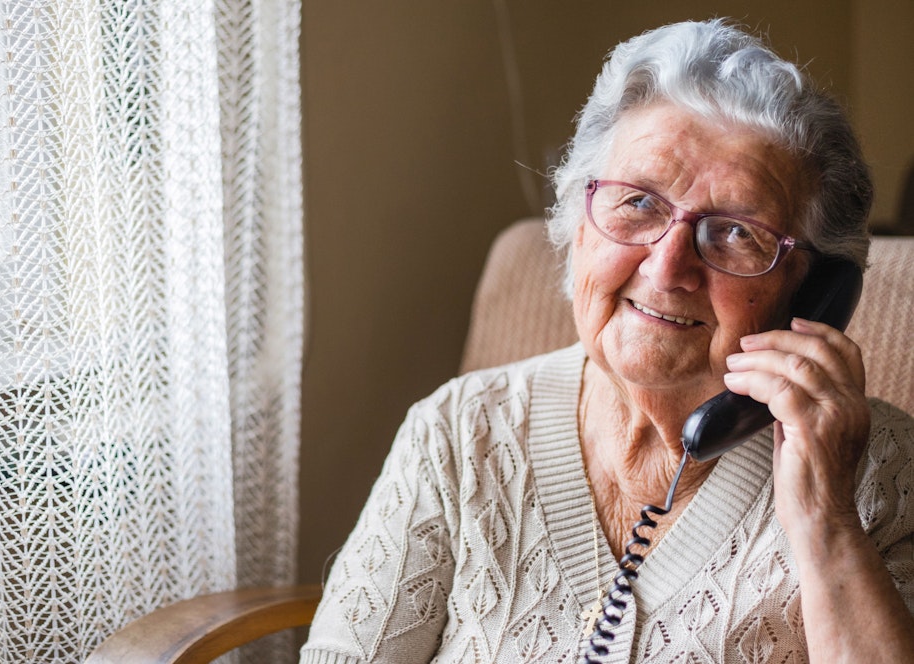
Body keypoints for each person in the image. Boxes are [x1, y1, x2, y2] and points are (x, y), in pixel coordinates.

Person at [299, 19, 914, 663]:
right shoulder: (457, 436)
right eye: (637, 203)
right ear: (578, 222)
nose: (666, 268)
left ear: (813, 291)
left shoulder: (883, 478)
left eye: (735, 232)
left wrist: (826, 523)